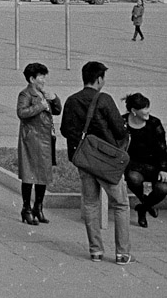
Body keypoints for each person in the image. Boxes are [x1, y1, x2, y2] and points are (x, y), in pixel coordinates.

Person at [60, 61, 131, 264]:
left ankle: (96, 251)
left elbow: (66, 130)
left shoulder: (72, 101)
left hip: (84, 160)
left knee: (90, 203)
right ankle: (122, 253)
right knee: (121, 204)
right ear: (99, 79)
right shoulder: (104, 99)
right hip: (106, 163)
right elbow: (119, 130)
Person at [16, 62, 62, 225]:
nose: (44, 80)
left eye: (44, 76)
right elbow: (21, 113)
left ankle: (38, 207)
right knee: (29, 174)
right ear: (31, 79)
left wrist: (54, 98)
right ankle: (26, 208)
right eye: (41, 77)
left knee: (43, 174)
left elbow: (57, 110)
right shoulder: (26, 94)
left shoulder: (44, 93)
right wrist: (39, 106)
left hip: (45, 139)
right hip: (32, 138)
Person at [123, 92, 167, 228]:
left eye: (148, 107)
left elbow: (162, 148)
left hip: (153, 164)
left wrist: (164, 169)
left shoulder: (154, 123)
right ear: (133, 111)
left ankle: (143, 207)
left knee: (163, 188)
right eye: (145, 108)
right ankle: (145, 206)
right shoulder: (122, 122)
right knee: (133, 179)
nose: (149, 111)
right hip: (133, 165)